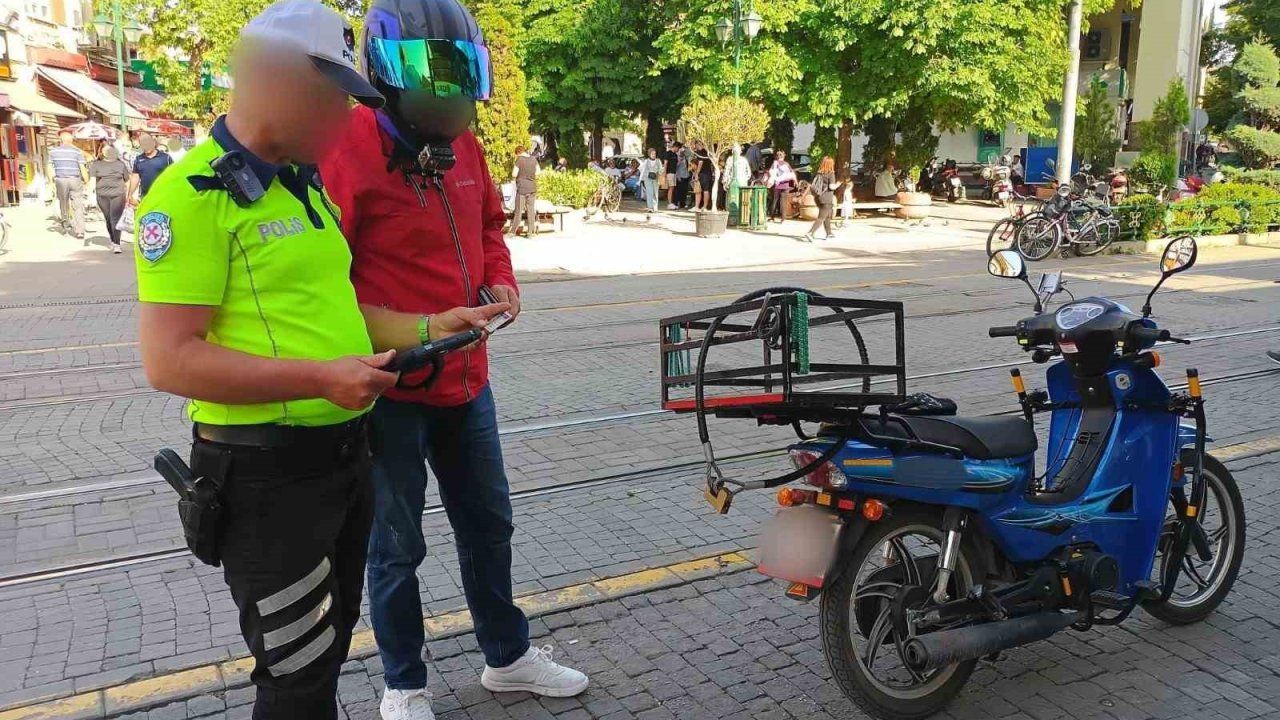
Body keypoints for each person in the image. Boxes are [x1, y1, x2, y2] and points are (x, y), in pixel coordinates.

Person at [133, 3, 508, 718]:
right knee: (295, 675)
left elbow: (341, 313)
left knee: (326, 659)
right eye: (335, 98)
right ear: (277, 86)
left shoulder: (299, 188)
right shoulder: (188, 199)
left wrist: (429, 323)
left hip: (337, 463)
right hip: (267, 481)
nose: (348, 119)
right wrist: (321, 378)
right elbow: (170, 361)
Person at [317, 1, 589, 718]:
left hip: (468, 381)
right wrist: (406, 331)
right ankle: (403, 684)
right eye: (429, 79)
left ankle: (507, 657)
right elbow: (321, 280)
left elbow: (491, 226)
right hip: (393, 389)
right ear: (385, 76)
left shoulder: (464, 149)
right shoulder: (346, 147)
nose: (449, 97)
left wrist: (501, 277)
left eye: (460, 77)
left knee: (489, 524)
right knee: (396, 546)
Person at [88, 145, 130, 254]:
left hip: (118, 194)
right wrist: (90, 195)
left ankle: (117, 244)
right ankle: (112, 239)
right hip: (102, 195)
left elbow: (127, 180)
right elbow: (92, 180)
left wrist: (130, 194)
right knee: (108, 219)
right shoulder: (96, 164)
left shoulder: (120, 164)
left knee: (115, 218)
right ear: (102, 151)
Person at [47, 130, 87, 239]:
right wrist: (86, 181)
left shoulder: (53, 152)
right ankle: (80, 231)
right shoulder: (77, 152)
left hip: (61, 180)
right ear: (72, 140)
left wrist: (51, 181)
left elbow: (49, 168)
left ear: (61, 140)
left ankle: (66, 224)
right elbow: (82, 168)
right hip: (75, 179)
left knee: (63, 202)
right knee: (78, 205)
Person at [802, 156, 840, 243]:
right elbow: (831, 186)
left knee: (827, 216)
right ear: (831, 164)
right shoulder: (831, 173)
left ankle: (829, 233)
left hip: (818, 198)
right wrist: (838, 184)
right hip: (826, 199)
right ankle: (810, 233)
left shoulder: (818, 173)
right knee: (821, 217)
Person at [128, 132, 173, 204]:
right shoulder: (138, 159)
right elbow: (135, 177)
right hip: (145, 197)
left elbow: (173, 175)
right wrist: (130, 194)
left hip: (163, 196)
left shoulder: (165, 158)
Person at [510, 144, 539, 237]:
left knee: (518, 210)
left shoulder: (519, 160)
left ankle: (512, 232)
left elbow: (514, 174)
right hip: (532, 188)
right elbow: (538, 172)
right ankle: (530, 232)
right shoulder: (534, 159)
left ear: (518, 153)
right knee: (531, 210)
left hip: (522, 188)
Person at [766, 149, 795, 222]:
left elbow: (771, 173)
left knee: (775, 200)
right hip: (786, 185)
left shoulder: (775, 163)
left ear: (777, 157)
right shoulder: (786, 164)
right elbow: (791, 173)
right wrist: (795, 181)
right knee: (783, 202)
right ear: (783, 156)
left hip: (777, 185)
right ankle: (783, 218)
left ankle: (772, 217)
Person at [694, 142, 714, 210]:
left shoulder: (700, 152)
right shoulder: (708, 152)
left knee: (701, 190)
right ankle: (703, 206)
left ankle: (700, 206)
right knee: (705, 190)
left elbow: (700, 163)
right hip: (708, 173)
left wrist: (697, 173)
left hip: (703, 173)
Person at [664, 143, 679, 209]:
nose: (678, 149)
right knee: (670, 188)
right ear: (675, 147)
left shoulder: (675, 155)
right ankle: (670, 203)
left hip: (674, 173)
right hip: (669, 173)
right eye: (678, 148)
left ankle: (671, 203)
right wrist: (665, 173)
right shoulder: (668, 153)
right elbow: (665, 163)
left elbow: (676, 164)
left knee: (672, 188)